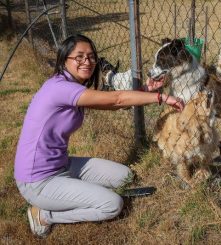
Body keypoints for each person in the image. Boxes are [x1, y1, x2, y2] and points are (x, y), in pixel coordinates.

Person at [14, 34, 184, 238]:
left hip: (62, 165)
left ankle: (74, 192)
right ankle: (44, 214)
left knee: (125, 176)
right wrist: (161, 97)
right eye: (79, 57)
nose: (87, 62)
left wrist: (147, 89)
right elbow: (117, 99)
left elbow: (112, 105)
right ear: (64, 59)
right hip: (38, 180)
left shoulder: (72, 87)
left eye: (91, 57)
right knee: (112, 204)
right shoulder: (59, 88)